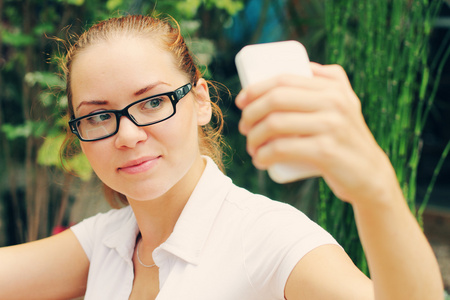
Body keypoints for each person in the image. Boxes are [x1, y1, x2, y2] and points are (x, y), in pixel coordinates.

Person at [0, 14, 444, 300]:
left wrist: (376, 192)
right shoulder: (107, 242)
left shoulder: (268, 237)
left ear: (200, 100)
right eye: (97, 116)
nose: (128, 135)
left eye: (153, 102)